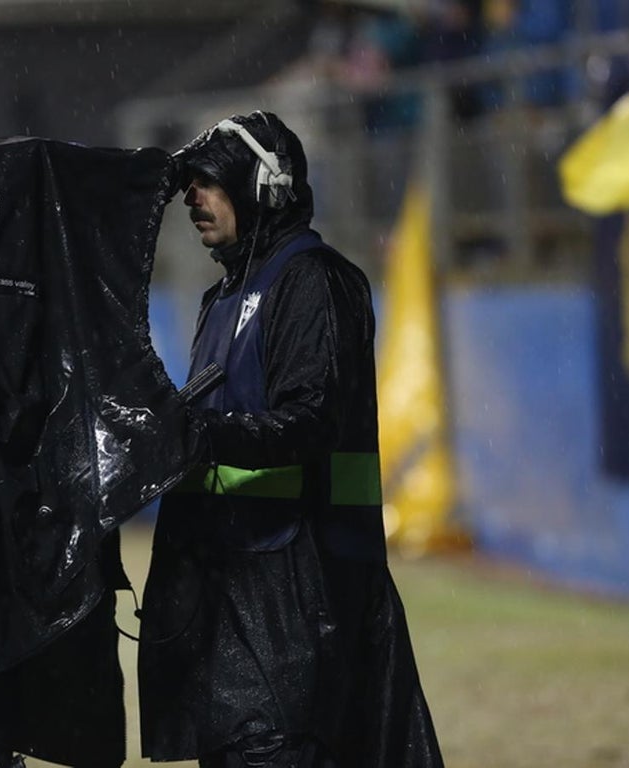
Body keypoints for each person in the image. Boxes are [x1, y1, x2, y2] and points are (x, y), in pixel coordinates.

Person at [137, 111, 443, 767]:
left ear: (266, 186)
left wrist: (193, 433)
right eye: (189, 184)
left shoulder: (312, 281)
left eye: (211, 181)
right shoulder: (221, 299)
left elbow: (309, 424)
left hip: (299, 600)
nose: (194, 196)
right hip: (231, 598)